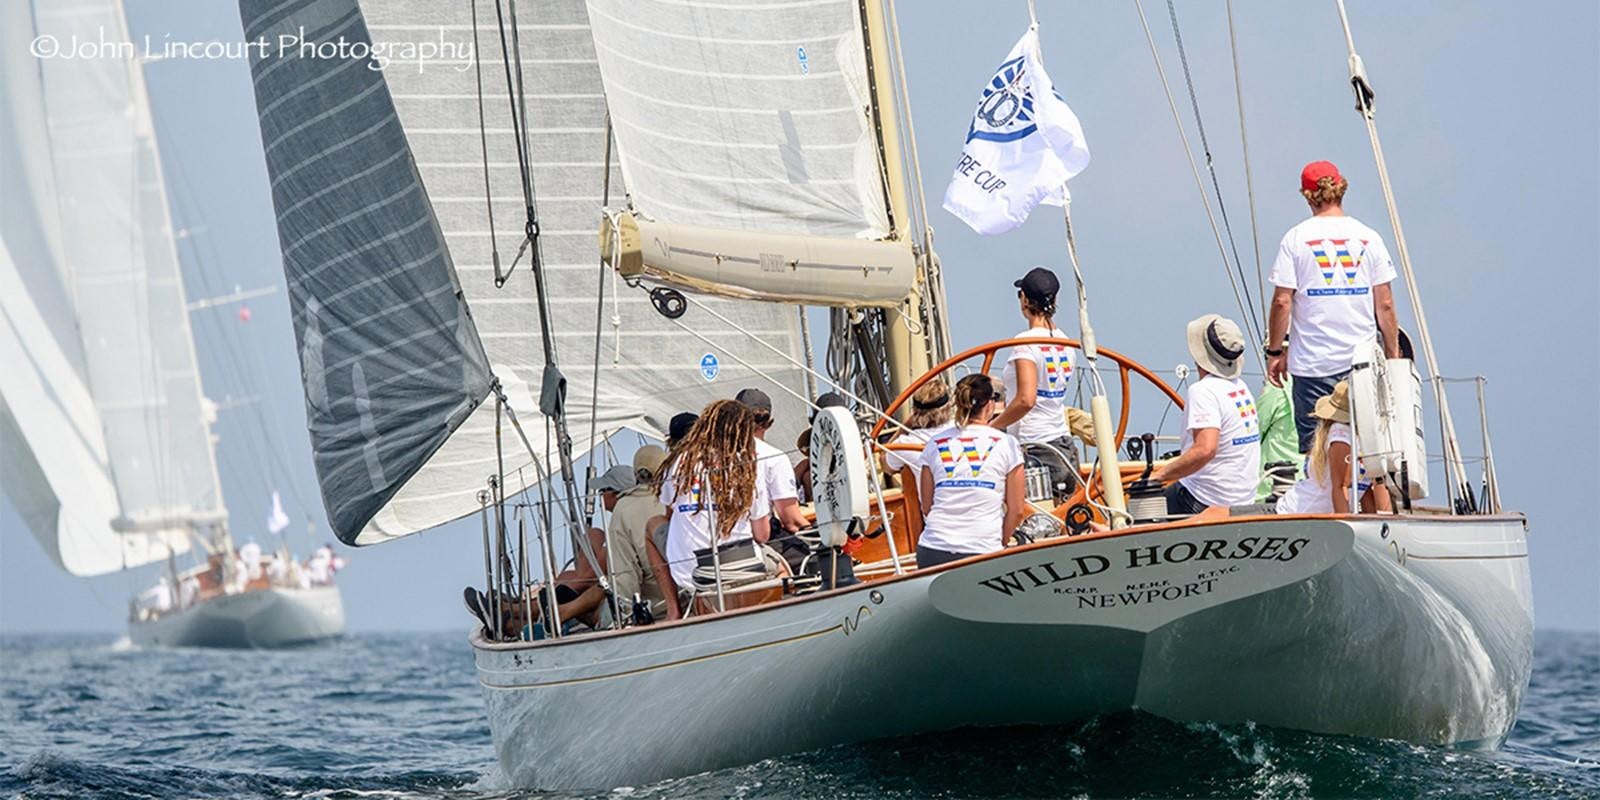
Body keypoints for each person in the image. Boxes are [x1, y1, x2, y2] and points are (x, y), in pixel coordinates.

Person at [1265, 160, 1401, 453]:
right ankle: (1376, 501)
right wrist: (1393, 356)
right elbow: (1385, 305)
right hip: (1361, 364)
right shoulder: (1370, 238)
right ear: (1340, 188)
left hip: (1313, 366)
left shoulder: (1296, 239)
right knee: (1368, 453)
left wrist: (1275, 351)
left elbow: (1282, 301)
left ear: (1306, 194)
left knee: (1319, 458)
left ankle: (1329, 499)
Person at [654, 400, 772, 602]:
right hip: (742, 568)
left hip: (690, 573)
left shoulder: (677, 463)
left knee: (653, 526)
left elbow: (670, 513)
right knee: (781, 568)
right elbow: (762, 535)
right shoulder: (747, 469)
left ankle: (673, 609)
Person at [1152, 315, 1262, 515]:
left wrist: (1158, 476)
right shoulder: (1241, 387)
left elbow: (1205, 450)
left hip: (1204, 500)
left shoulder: (1202, 391)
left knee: (1137, 507)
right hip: (1243, 500)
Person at [915, 374, 1026, 568]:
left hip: (932, 549)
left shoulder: (934, 444)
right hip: (982, 551)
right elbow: (1016, 510)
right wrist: (1001, 542)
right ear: (990, 404)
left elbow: (927, 506)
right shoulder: (1007, 444)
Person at [989, 266, 1079, 493]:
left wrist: (991, 428)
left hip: (1037, 449)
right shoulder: (1066, 342)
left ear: (1025, 300)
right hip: (1063, 444)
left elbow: (1026, 400)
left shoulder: (1025, 343)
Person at [1274, 381, 1392, 515]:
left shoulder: (1356, 438)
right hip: (1296, 512)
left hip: (1302, 513)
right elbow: (1341, 486)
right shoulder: (1341, 433)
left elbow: (1360, 491)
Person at [882, 379, 957, 477]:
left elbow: (885, 465)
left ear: (914, 411)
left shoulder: (905, 444)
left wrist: (905, 427)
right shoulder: (965, 430)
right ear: (949, 406)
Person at [1255, 342, 1299, 500]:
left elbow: (1254, 433)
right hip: (1304, 482)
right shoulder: (1309, 387)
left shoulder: (1275, 390)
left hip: (1271, 485)